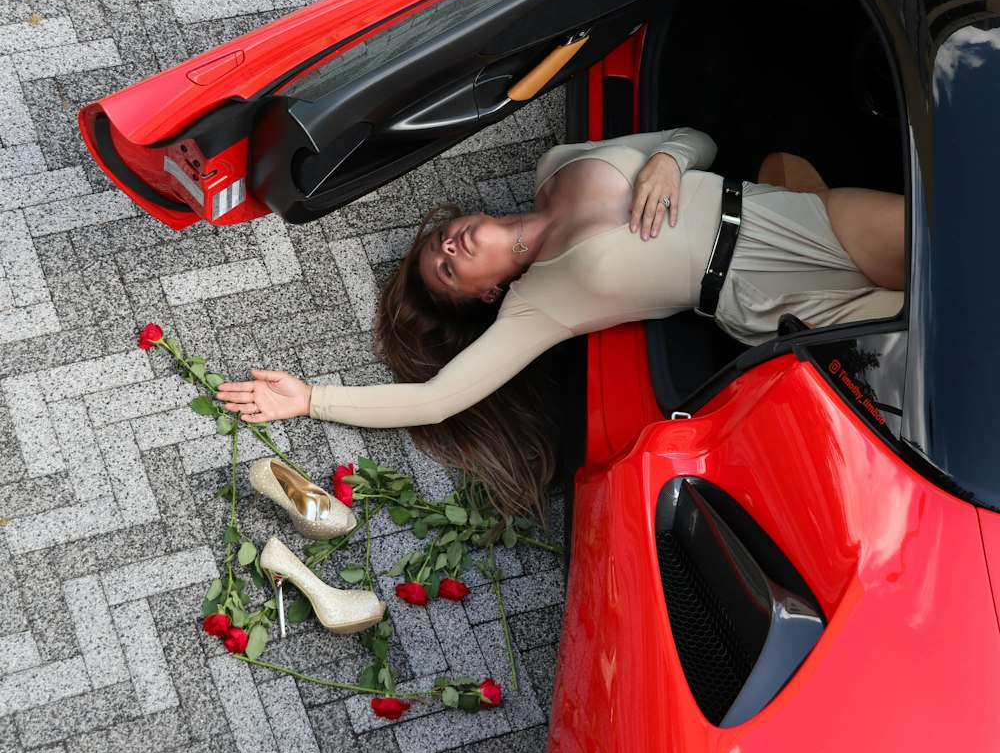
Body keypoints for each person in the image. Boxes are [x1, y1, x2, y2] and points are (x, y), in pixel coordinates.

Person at [217, 129, 904, 519]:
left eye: (441, 244)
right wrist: (310, 400)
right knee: (948, 335)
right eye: (448, 271)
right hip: (765, 301)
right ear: (486, 295)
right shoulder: (538, 305)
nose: (448, 248)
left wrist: (667, 161)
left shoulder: (559, 164)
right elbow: (436, 398)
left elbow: (694, 140)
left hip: (794, 220)